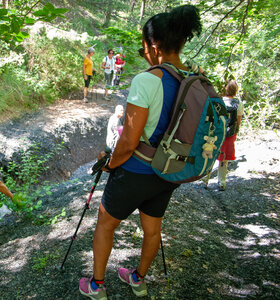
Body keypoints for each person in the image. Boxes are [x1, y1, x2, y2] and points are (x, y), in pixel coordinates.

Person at [79, 5, 202, 299]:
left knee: (106, 223)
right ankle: (138, 279)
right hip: (169, 170)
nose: (143, 50)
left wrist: (110, 164)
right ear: (182, 42)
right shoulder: (194, 78)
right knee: (152, 227)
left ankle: (97, 286)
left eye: (143, 45)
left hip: (136, 170)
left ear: (154, 45)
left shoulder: (147, 80)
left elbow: (129, 140)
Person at [203, 80, 243, 191]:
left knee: (210, 155)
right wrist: (235, 131)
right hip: (230, 134)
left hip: (217, 132)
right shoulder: (238, 103)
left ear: (225, 88)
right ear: (236, 90)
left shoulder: (219, 101)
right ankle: (221, 182)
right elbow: (238, 120)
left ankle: (205, 180)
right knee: (224, 159)